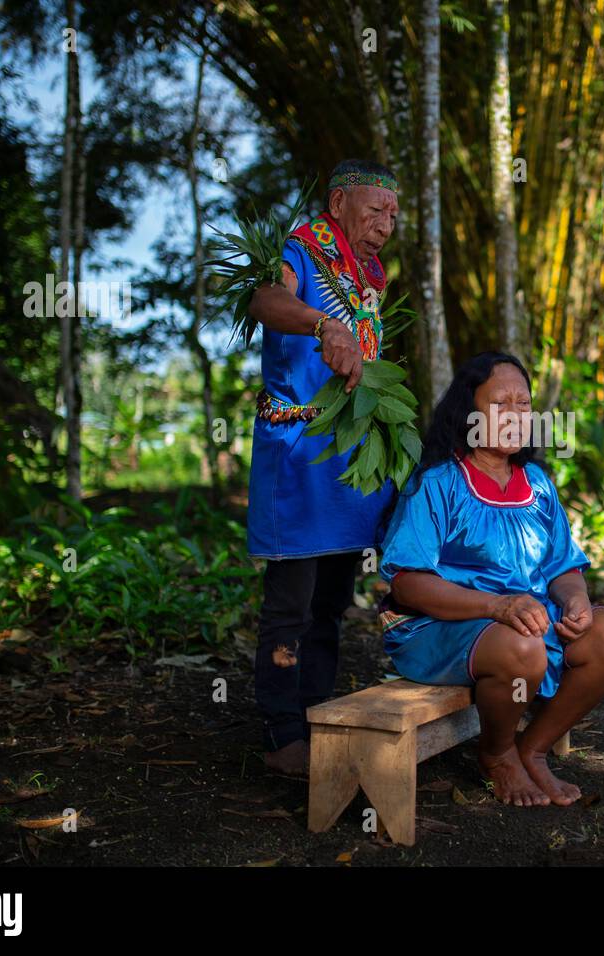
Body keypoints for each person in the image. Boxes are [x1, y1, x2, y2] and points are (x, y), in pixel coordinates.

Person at [377, 353, 604, 807]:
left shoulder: (537, 484)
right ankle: (496, 755)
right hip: (436, 629)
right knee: (522, 646)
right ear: (470, 413)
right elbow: (407, 585)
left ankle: (532, 749)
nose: (516, 414)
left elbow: (562, 567)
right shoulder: (438, 483)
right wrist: (498, 606)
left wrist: (575, 600)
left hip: (525, 624)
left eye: (524, 402)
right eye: (501, 403)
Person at [246, 158, 400, 776]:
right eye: (374, 211)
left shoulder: (369, 275)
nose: (386, 225)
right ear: (338, 203)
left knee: (335, 599)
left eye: (393, 214)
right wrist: (323, 322)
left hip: (349, 455)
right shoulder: (300, 251)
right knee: (292, 601)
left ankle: (315, 712)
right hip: (297, 453)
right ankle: (282, 731)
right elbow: (264, 300)